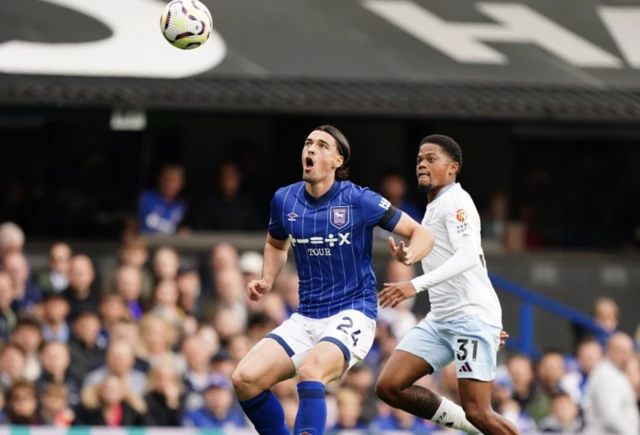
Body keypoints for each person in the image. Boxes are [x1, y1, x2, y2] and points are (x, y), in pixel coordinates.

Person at [231, 125, 434, 435]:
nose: (311, 149)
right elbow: (275, 243)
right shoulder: (284, 200)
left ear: (337, 161)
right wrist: (267, 279)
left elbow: (421, 233)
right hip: (306, 317)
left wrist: (410, 256)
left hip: (353, 313)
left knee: (311, 371)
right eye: (308, 143)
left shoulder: (359, 199)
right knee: (244, 379)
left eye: (322, 145)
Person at [375, 134, 518, 435]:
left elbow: (468, 255)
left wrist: (415, 285)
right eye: (418, 160)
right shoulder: (432, 208)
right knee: (389, 386)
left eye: (430, 159)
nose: (422, 165)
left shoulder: (456, 200)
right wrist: (409, 256)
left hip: (468, 318)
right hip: (442, 320)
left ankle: (474, 420)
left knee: (480, 410)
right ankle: (468, 424)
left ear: (452, 168)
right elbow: (470, 258)